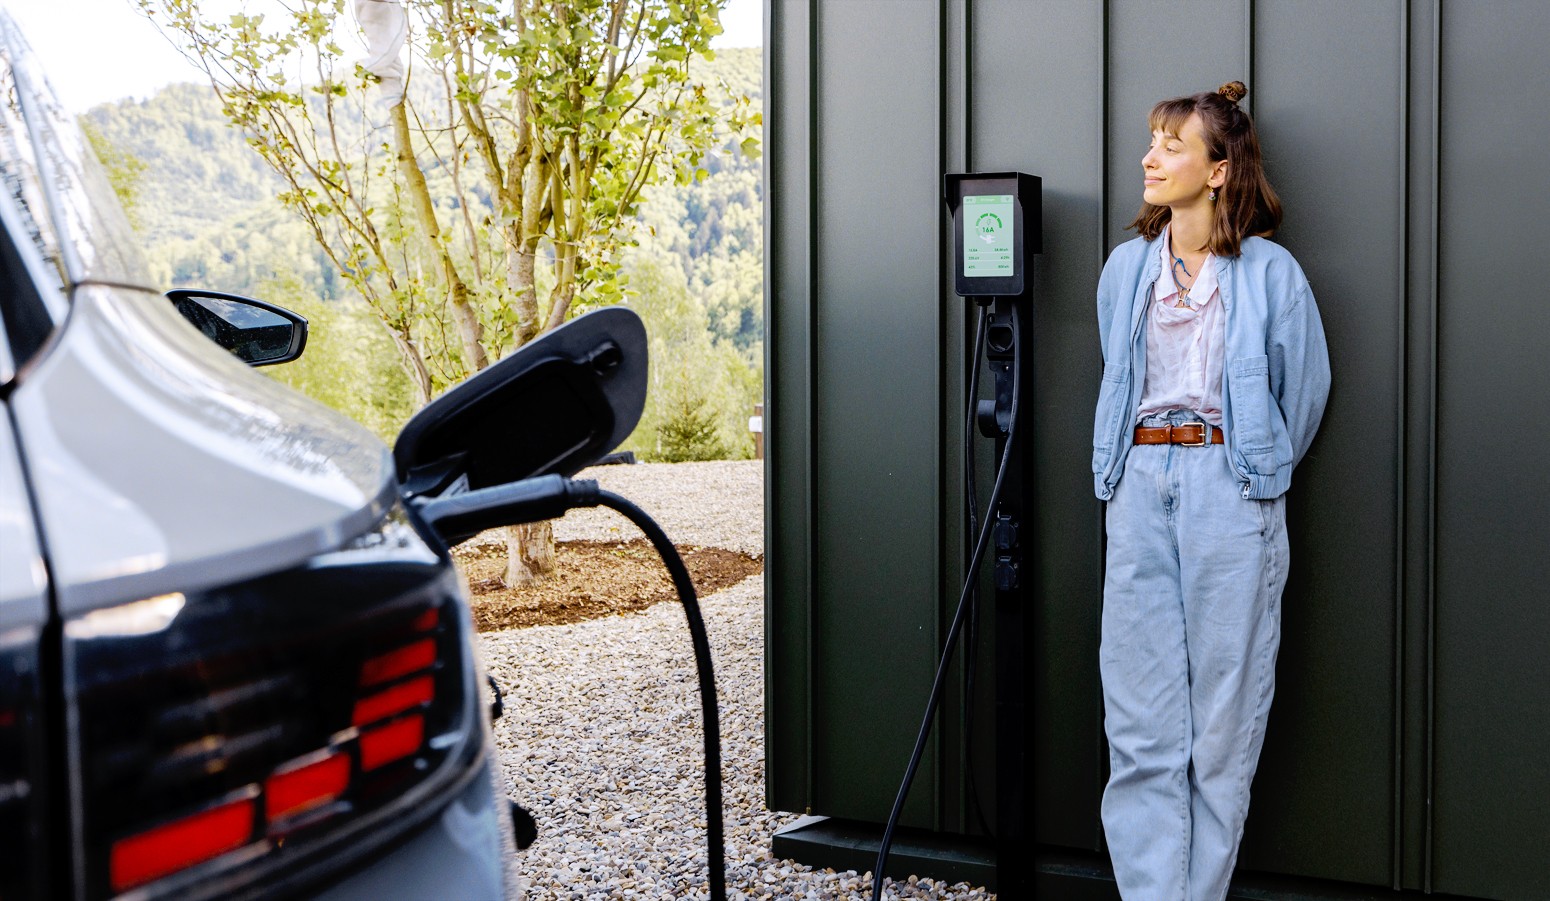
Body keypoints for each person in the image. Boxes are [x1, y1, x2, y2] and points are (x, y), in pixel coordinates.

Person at [1090, 81, 1331, 901]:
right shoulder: (1126, 271)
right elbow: (1119, 376)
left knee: (1221, 728)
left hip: (1232, 493)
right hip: (1137, 492)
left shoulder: (1269, 274)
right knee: (1140, 723)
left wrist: (1248, 469)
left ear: (1220, 169)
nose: (1150, 158)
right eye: (1152, 141)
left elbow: (1303, 395)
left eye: (1171, 144)